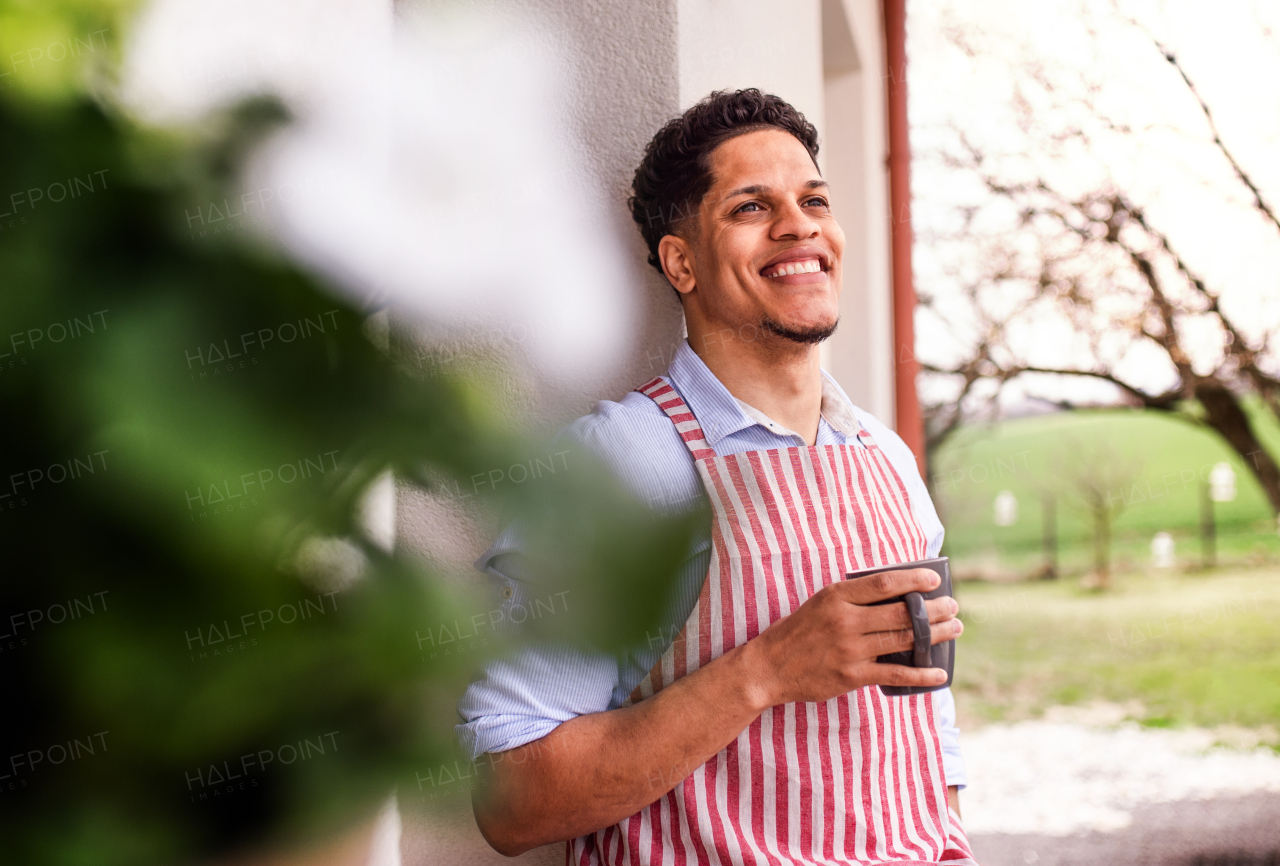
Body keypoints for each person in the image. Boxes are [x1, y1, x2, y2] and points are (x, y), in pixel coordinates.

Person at [459, 89, 976, 865]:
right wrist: (765, 671)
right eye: (750, 207)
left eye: (814, 199)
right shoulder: (620, 463)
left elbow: (926, 730)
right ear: (681, 262)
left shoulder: (886, 458)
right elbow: (513, 800)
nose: (799, 224)